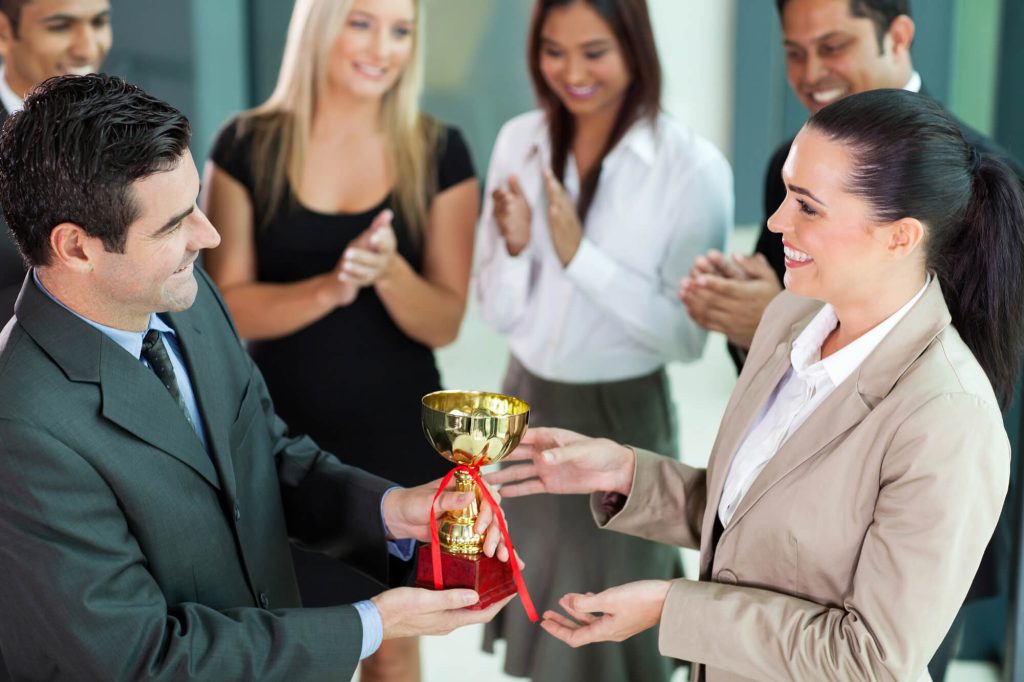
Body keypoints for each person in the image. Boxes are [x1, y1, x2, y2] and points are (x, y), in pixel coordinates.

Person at [490, 88, 1024, 681]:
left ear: (899, 236)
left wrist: (672, 608)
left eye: (807, 206)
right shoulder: (787, 320)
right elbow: (758, 526)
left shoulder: (948, 417)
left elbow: (871, 658)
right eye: (786, 195)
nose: (775, 222)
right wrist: (625, 474)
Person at [0, 73, 513, 681]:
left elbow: (266, 458)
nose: (208, 235)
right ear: (76, 248)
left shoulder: (181, 294)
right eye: (173, 224)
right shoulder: (21, 426)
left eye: (195, 202)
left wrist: (393, 510)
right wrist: (372, 624)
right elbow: (141, 660)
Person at [202, 0, 478, 678]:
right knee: (291, 644)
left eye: (401, 30)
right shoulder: (246, 145)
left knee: (395, 643)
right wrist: (331, 287)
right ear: (320, 25)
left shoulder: (439, 150)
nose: (381, 47)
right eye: (361, 22)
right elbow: (223, 309)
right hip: (281, 441)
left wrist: (388, 273)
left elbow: (443, 319)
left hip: (396, 442)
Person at [475, 0, 732, 680]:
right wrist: (517, 245)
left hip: (623, 419)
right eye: (553, 51)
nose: (571, 72)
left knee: (614, 628)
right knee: (540, 623)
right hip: (524, 401)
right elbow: (499, 313)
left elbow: (685, 340)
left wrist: (578, 256)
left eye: (594, 51)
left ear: (634, 48)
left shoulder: (691, 168)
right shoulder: (517, 141)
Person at [0, 0, 111, 319]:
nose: (87, 48)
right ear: (5, 32)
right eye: (60, 26)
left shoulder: (134, 116)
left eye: (99, 22)